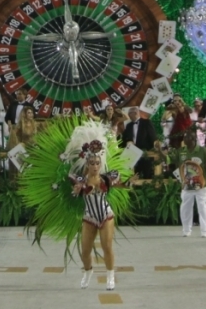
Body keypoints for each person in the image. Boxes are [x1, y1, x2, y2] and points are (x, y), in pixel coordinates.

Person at [71, 137, 120, 291]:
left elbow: (119, 177)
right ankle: (88, 271)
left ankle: (110, 276)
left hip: (106, 215)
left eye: (97, 163)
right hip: (89, 217)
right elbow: (71, 178)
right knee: (85, 250)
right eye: (92, 163)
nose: (95, 166)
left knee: (107, 246)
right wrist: (77, 189)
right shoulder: (81, 179)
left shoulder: (106, 177)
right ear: (87, 164)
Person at [175, 132, 206, 238]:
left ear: (194, 138)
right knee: (185, 207)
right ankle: (186, 230)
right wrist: (159, 151)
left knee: (202, 207)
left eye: (187, 137)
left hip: (201, 185)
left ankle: (205, 231)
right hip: (186, 186)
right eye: (184, 136)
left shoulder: (203, 151)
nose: (184, 139)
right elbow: (172, 161)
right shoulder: (180, 151)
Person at [121, 107, 155, 179]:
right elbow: (125, 138)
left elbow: (152, 137)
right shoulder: (129, 125)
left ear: (135, 113)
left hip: (146, 153)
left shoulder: (146, 122)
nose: (129, 115)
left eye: (129, 113)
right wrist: (128, 141)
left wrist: (153, 150)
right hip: (133, 154)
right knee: (135, 174)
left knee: (147, 173)